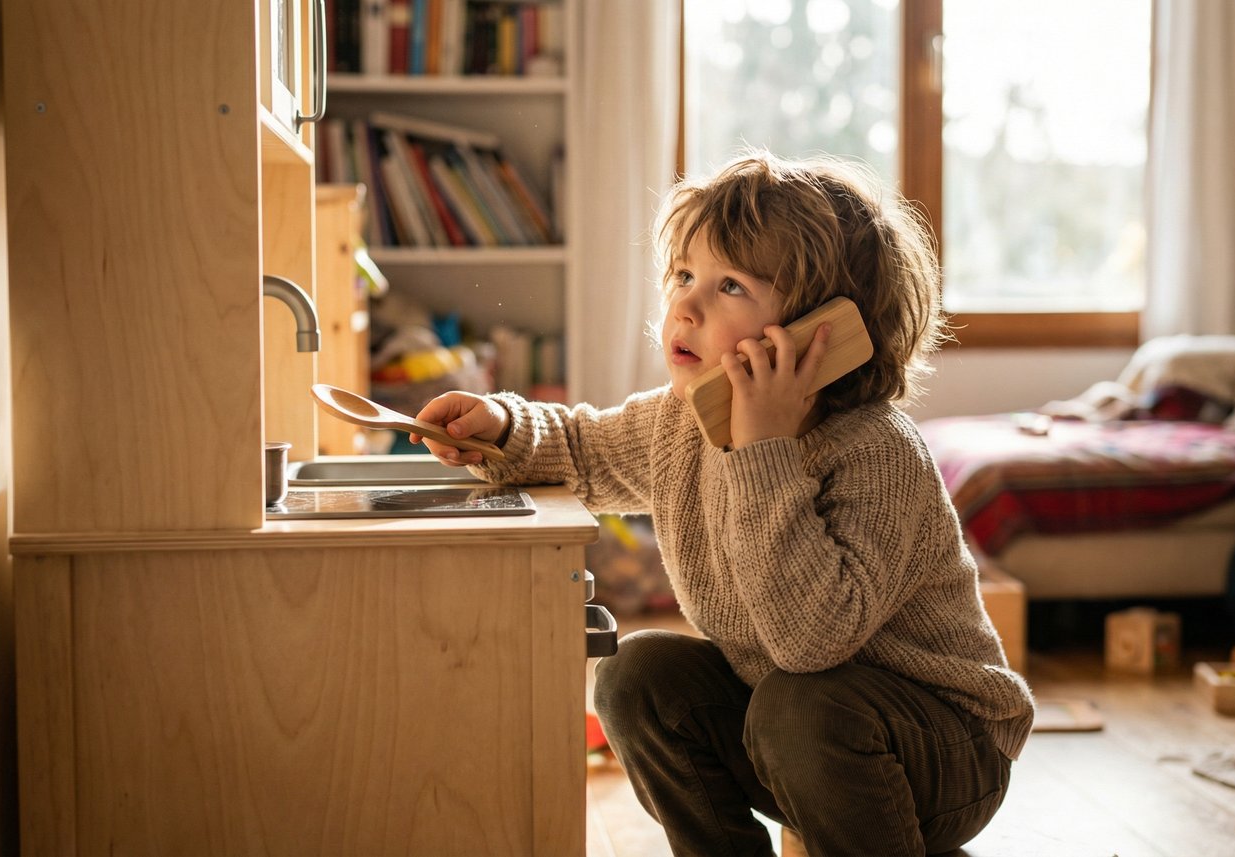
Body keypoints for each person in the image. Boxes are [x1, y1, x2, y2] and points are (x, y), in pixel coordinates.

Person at [412, 151, 1035, 856]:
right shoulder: (679, 423)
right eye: (683, 275)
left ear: (820, 331)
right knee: (634, 675)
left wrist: (762, 448)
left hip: (945, 748)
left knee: (800, 705)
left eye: (729, 284)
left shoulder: (876, 452)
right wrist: (498, 427)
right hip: (798, 733)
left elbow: (811, 642)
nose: (685, 304)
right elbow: (580, 449)